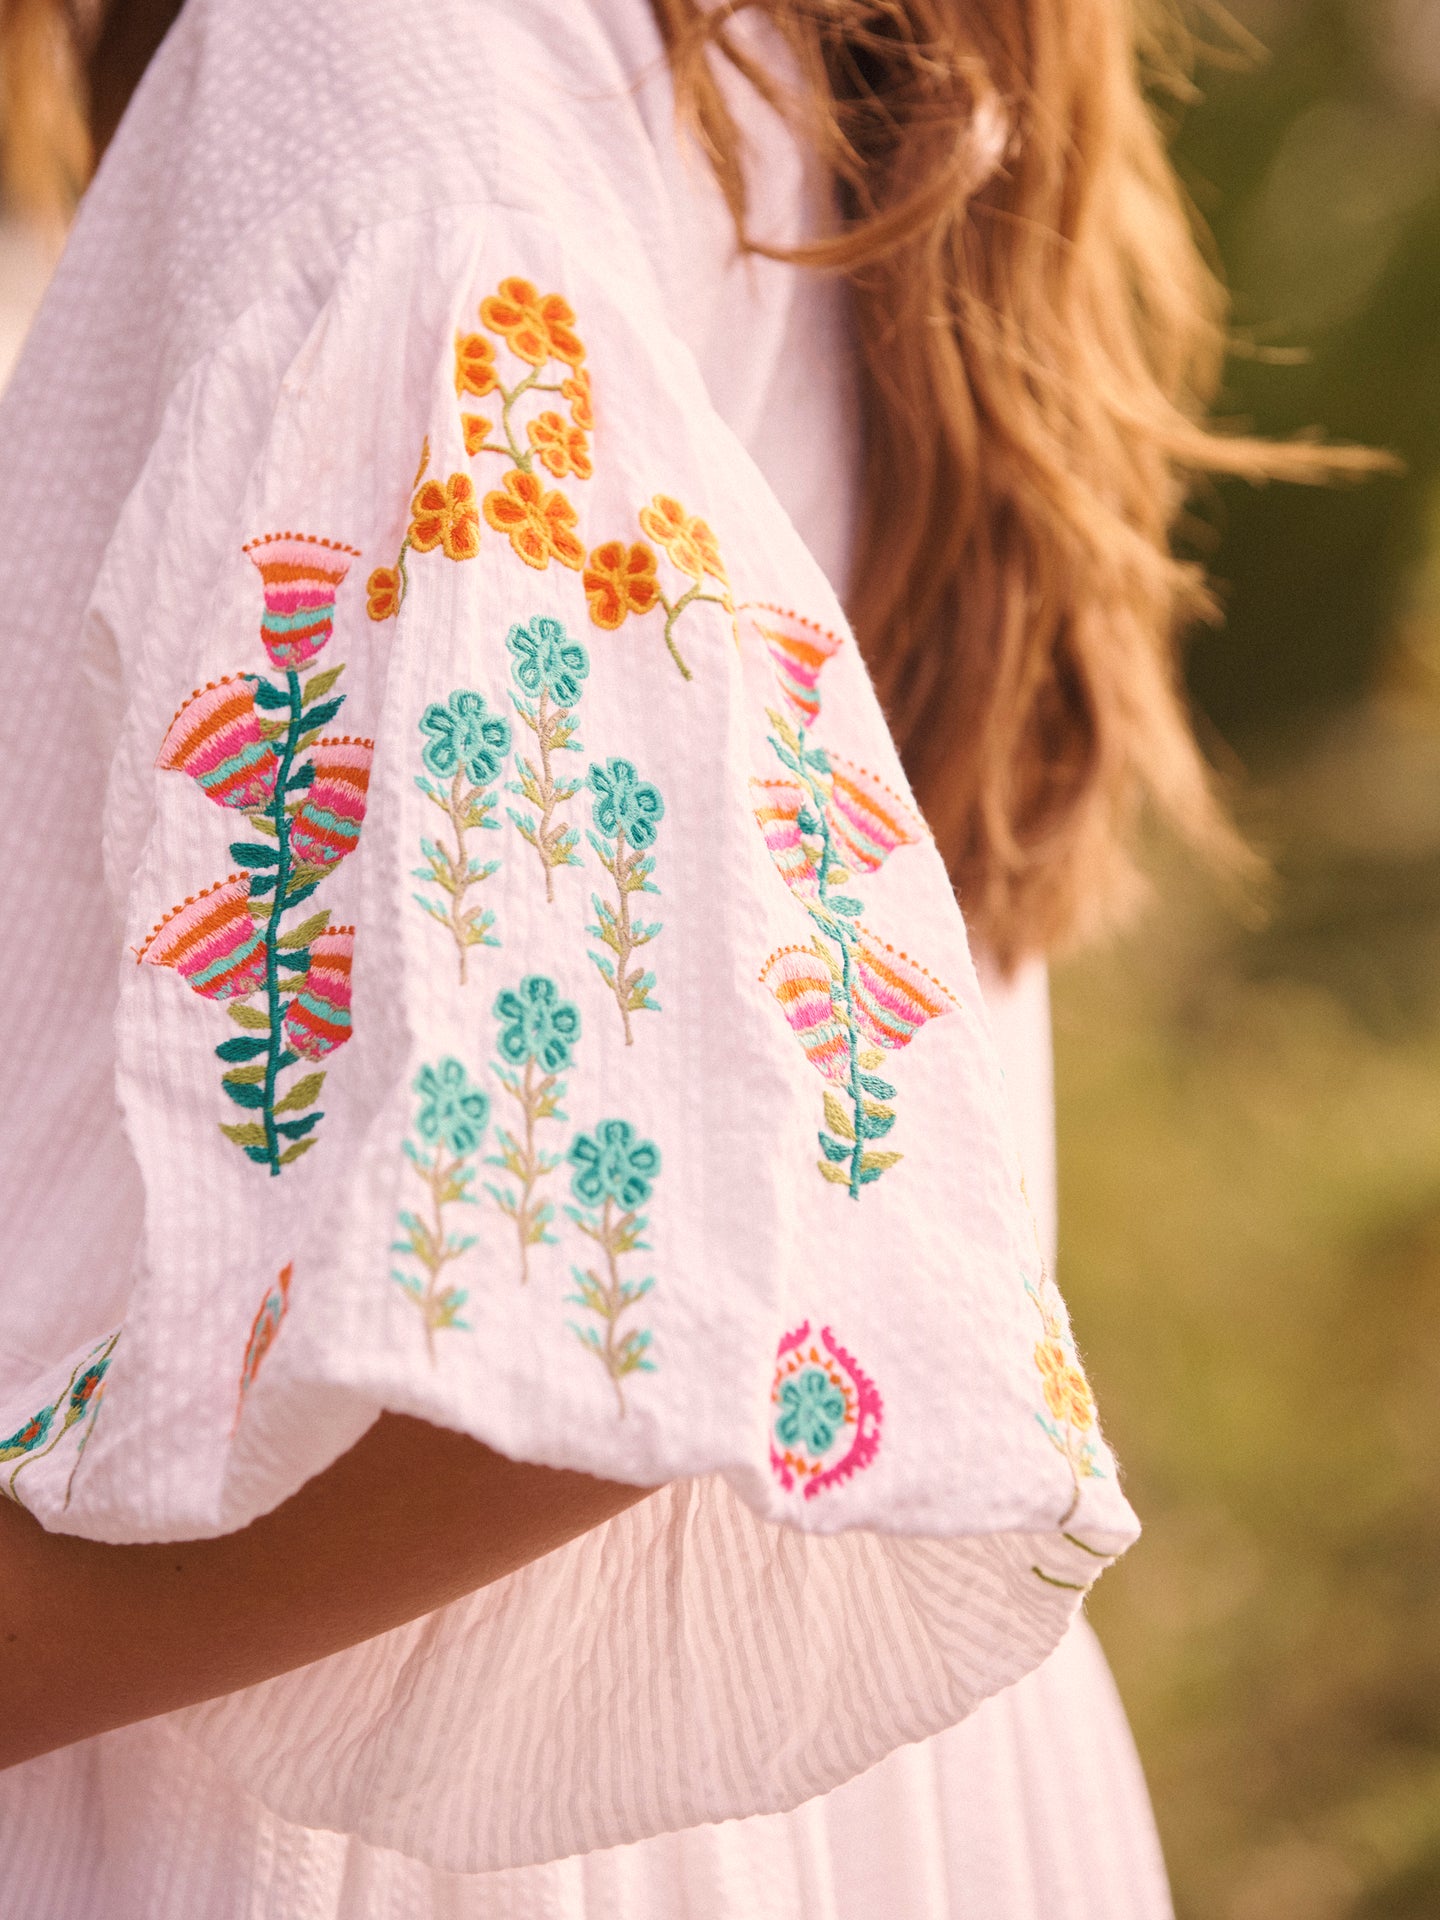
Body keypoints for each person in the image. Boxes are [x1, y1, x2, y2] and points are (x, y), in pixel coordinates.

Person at [0, 0, 1339, 1914]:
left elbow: (688, 1261)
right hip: (834, 1817)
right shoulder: (794, 69)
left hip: (309, 1813)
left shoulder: (372, 49)